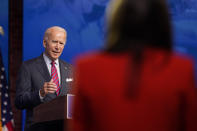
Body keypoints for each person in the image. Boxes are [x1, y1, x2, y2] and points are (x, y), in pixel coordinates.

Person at [71, 0, 197, 131]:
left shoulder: (86, 68)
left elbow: (78, 126)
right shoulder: (182, 69)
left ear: (114, 22)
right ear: (162, 23)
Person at [15, 26, 73, 131]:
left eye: (61, 43)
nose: (58, 47)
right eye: (55, 42)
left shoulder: (70, 69)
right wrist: (40, 93)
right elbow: (19, 101)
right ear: (45, 43)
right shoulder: (28, 67)